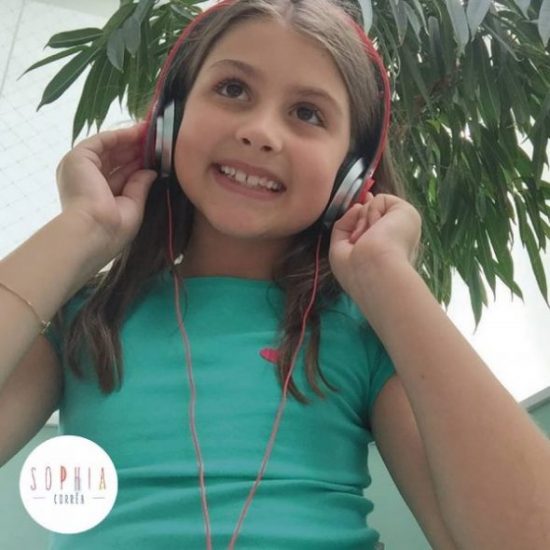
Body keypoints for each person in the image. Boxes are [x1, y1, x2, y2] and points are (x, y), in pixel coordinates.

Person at [0, 0, 549, 549]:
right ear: (168, 121)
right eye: (232, 88)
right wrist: (83, 229)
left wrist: (389, 279)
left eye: (308, 113)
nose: (261, 132)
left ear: (351, 175)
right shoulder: (89, 318)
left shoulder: (359, 334)